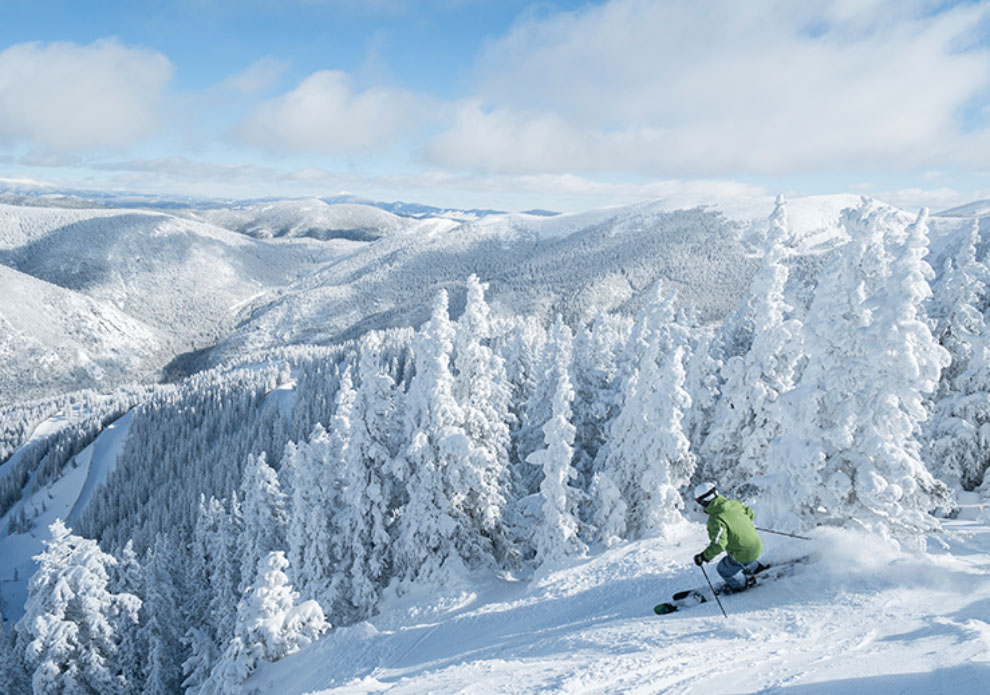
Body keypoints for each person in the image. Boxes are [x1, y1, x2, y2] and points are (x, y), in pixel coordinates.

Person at [691, 482, 765, 593]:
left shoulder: (715, 520)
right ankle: (755, 568)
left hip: (743, 554)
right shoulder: (734, 503)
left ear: (703, 501)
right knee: (744, 552)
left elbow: (719, 545)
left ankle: (739, 586)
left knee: (722, 569)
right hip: (757, 545)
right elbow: (750, 514)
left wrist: (703, 557)